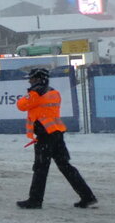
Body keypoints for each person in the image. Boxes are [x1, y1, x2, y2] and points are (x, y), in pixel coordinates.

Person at [14, 67, 98, 209]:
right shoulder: (54, 92)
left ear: (37, 78)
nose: (29, 81)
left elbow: (21, 105)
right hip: (57, 133)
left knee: (40, 168)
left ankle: (35, 200)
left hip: (45, 135)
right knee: (66, 166)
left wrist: (30, 93)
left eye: (31, 78)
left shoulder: (36, 93)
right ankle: (87, 196)